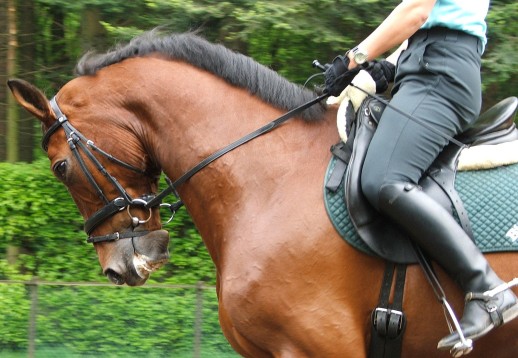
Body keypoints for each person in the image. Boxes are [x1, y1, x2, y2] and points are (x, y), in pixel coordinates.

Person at [324, 0, 518, 352]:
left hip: (440, 77)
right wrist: (385, 68)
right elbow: (424, 28)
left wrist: (354, 59)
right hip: (426, 67)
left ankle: (486, 286)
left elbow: (417, 11)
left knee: (383, 179)